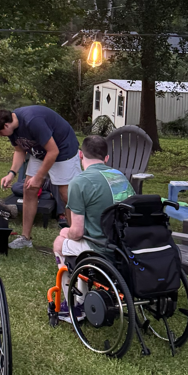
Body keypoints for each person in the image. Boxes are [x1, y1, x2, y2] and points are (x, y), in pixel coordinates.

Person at [51, 135, 133, 321]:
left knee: (60, 243)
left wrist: (66, 232)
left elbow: (77, 232)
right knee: (76, 243)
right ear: (106, 158)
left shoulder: (79, 182)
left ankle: (76, 305)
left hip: (102, 249)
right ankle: (83, 293)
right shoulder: (121, 177)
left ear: (81, 155)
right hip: (125, 246)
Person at [0, 105, 81, 249]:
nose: (1, 135)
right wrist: (11, 173)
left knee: (66, 195)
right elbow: (19, 151)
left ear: (6, 125)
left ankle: (76, 239)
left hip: (63, 150)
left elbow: (53, 151)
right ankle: (25, 238)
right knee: (29, 188)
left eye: (0, 132)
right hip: (40, 151)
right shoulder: (12, 128)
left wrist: (38, 177)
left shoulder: (33, 121)